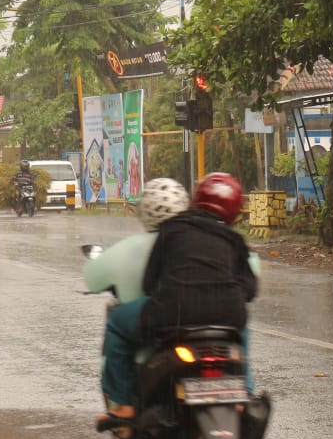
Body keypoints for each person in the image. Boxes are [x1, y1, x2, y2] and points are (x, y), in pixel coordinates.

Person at [83, 177, 191, 421]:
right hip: (208, 317)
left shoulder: (135, 246)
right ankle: (245, 388)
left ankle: (122, 403)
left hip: (163, 316)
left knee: (117, 323)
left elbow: (92, 278)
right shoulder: (203, 237)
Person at [141, 172, 257, 338]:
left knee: (119, 323)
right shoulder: (235, 239)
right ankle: (244, 365)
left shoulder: (172, 228)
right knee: (240, 337)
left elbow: (148, 283)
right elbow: (250, 289)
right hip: (228, 316)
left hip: (175, 315)